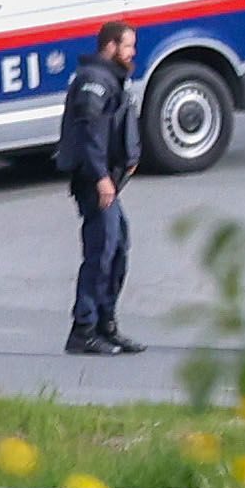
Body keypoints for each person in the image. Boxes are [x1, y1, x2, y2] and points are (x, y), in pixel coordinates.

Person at [60, 20, 145, 356]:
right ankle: (83, 330)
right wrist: (101, 177)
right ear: (110, 46)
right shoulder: (94, 81)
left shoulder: (110, 79)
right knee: (102, 252)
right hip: (96, 180)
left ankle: (105, 325)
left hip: (109, 180)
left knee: (118, 246)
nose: (132, 52)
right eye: (128, 46)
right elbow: (88, 133)